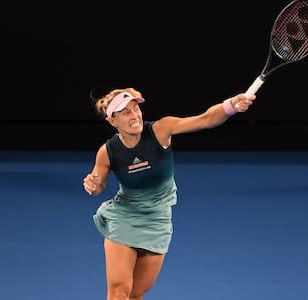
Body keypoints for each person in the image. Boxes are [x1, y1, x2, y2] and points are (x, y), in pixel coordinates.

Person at [82, 87, 256, 300]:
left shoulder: (161, 129)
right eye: (125, 112)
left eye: (135, 109)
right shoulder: (107, 151)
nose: (134, 116)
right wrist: (93, 185)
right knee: (119, 292)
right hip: (124, 218)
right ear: (113, 121)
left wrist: (231, 106)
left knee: (137, 293)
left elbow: (205, 119)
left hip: (158, 221)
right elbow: (97, 185)